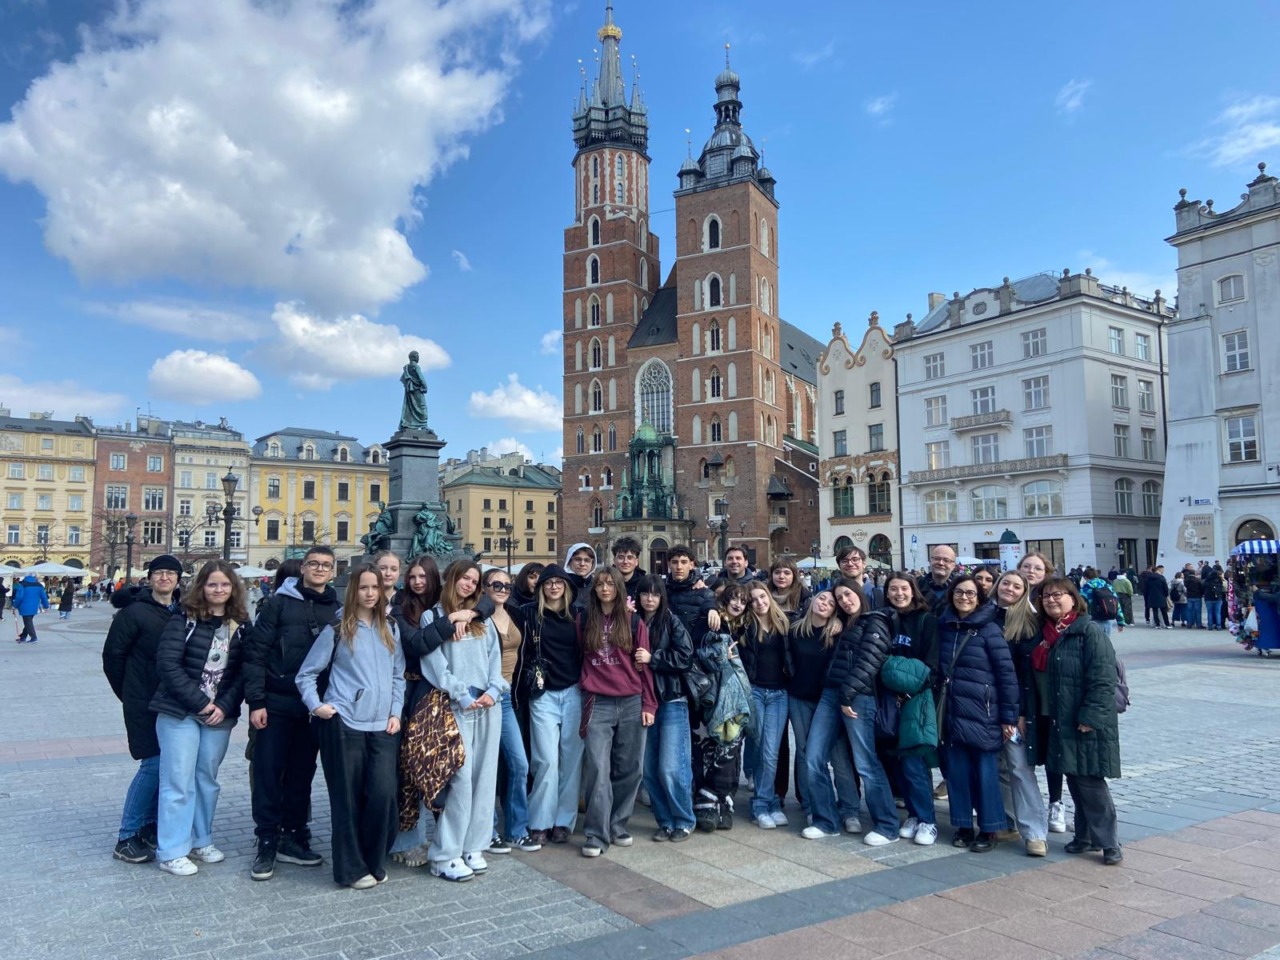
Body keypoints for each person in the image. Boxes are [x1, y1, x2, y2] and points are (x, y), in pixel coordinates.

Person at [296, 563, 405, 889]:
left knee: (384, 795)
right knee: (347, 799)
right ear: (353, 590)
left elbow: (398, 675)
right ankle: (351, 870)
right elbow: (306, 674)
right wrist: (317, 706)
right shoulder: (338, 628)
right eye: (364, 588)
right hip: (345, 724)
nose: (371, 594)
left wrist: (396, 711)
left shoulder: (391, 628)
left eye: (376, 588)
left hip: (382, 725)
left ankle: (374, 859)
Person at [242, 545, 341, 881]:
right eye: (314, 563)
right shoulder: (277, 604)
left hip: (314, 707)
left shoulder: (338, 610)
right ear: (303, 568)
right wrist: (256, 701)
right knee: (269, 772)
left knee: (301, 773)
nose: (319, 569)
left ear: (334, 571)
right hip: (277, 702)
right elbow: (255, 654)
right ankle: (267, 839)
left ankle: (294, 835)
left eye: (326, 565)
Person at [149, 560, 248, 876]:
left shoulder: (241, 625)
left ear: (233, 589)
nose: (219, 590)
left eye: (225, 585)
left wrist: (224, 705)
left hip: (220, 715)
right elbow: (167, 665)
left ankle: (200, 839)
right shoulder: (184, 619)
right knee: (178, 781)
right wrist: (201, 702)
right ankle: (172, 850)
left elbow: (245, 672)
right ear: (201, 588)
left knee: (206, 779)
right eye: (212, 584)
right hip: (180, 712)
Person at [419, 560, 506, 882]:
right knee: (461, 778)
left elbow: (495, 659)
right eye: (464, 578)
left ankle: (474, 844)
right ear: (451, 579)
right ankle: (445, 853)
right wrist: (460, 693)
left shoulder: (481, 619)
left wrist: (496, 690)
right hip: (457, 706)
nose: (469, 584)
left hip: (487, 704)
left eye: (474, 580)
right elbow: (434, 663)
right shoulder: (434, 616)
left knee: (485, 779)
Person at [801, 581, 899, 844]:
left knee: (866, 762)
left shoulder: (874, 621)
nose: (844, 600)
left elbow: (870, 662)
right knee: (813, 758)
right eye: (839, 598)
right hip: (830, 694)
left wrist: (847, 695)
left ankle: (888, 826)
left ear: (859, 594)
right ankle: (826, 821)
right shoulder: (845, 624)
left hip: (857, 697)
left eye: (847, 594)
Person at [102, 554, 183, 863]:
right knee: (151, 764)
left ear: (178, 579)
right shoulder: (133, 613)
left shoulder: (180, 611)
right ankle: (126, 836)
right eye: (158, 573)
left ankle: (149, 826)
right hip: (142, 700)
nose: (164, 578)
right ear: (150, 578)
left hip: (171, 701)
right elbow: (113, 657)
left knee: (165, 764)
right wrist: (128, 693)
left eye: (170, 573)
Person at [1038, 577, 1123, 865]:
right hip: (1062, 719)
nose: (1051, 600)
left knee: (1090, 782)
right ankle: (1085, 837)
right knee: (1075, 777)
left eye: (1058, 595)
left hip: (1084, 720)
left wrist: (1090, 717)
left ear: (1073, 599)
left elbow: (1103, 678)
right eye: (1046, 596)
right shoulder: (1051, 633)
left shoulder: (1087, 631)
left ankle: (1110, 843)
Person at [578, 566, 656, 857]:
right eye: (600, 584)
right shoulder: (584, 619)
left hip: (631, 700)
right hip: (597, 700)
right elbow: (577, 656)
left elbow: (644, 668)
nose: (605, 588)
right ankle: (596, 834)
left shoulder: (635, 622)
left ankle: (618, 823)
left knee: (630, 767)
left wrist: (649, 703)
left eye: (610, 583)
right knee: (598, 767)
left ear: (619, 588)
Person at [936, 574, 1018, 852]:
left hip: (983, 712)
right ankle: (962, 825)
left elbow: (1007, 676)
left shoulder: (990, 630)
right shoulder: (944, 626)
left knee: (985, 773)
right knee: (957, 772)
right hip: (951, 710)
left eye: (971, 593)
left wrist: (1008, 716)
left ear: (980, 598)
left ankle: (989, 828)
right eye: (959, 592)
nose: (964, 597)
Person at [512, 565, 582, 845]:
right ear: (540, 587)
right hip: (542, 694)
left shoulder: (578, 615)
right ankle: (540, 820)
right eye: (548, 583)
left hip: (575, 690)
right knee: (546, 760)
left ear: (566, 587)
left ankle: (563, 821)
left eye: (559, 582)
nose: (554, 587)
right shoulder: (528, 614)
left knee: (571, 760)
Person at [387, 555, 448, 867]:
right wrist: (451, 622)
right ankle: (408, 839)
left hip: (438, 692)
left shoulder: (444, 603)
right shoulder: (400, 606)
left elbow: (486, 604)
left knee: (436, 765)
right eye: (412, 577)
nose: (417, 582)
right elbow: (415, 645)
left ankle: (443, 836)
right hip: (410, 691)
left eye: (423, 576)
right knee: (407, 766)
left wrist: (475, 610)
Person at [785, 591, 861, 834]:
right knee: (806, 753)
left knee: (838, 755)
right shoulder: (795, 630)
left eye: (830, 603)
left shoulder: (837, 632)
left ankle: (849, 809)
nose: (824, 604)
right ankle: (812, 805)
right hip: (800, 697)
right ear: (812, 601)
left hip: (828, 699)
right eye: (821, 599)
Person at [481, 568, 540, 853]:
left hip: (506, 698)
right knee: (487, 768)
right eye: (496, 584)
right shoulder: (477, 617)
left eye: (506, 584)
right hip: (481, 700)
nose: (502, 588)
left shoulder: (517, 615)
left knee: (519, 764)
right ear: (484, 587)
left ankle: (517, 829)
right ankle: (488, 830)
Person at [634, 575, 696, 842]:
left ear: (662, 598)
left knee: (671, 766)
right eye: (645, 594)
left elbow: (685, 657)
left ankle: (684, 819)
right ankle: (665, 821)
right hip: (642, 702)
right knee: (648, 769)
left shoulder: (670, 621)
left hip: (671, 699)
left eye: (655, 595)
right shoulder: (632, 621)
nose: (650, 599)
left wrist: (653, 658)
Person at [881, 572, 940, 846]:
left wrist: (906, 688)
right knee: (895, 760)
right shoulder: (885, 620)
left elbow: (930, 664)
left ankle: (928, 820)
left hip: (915, 698)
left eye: (903, 588)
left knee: (914, 761)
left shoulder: (926, 621)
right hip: (888, 699)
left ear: (913, 591)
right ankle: (914, 814)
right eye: (893, 589)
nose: (898, 593)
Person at [992, 571, 1048, 857]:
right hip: (985, 705)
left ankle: (1035, 832)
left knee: (1019, 768)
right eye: (1006, 583)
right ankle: (1008, 820)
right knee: (1000, 767)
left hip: (1013, 708)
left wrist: (1021, 712)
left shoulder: (1027, 623)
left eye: (1017, 586)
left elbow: (1025, 675)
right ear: (997, 585)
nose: (1010, 589)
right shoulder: (984, 614)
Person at [694, 584, 751, 832]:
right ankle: (708, 800)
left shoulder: (745, 626)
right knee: (715, 746)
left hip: (735, 697)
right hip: (713, 696)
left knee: (731, 747)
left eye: (743, 601)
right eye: (734, 599)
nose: (738, 604)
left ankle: (722, 801)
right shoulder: (713, 622)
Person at [741, 584, 791, 829]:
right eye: (754, 600)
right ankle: (761, 804)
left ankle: (769, 801)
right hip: (756, 692)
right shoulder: (746, 627)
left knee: (772, 752)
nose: (759, 602)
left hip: (780, 693)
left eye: (762, 597)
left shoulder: (785, 624)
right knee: (761, 749)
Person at [1080, 567, 1125, 638]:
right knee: (1105, 644)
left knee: (1094, 644)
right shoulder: (1108, 586)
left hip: (1093, 620)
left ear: (1085, 577)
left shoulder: (1086, 588)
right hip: (1108, 618)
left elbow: (1080, 605)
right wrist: (1120, 622)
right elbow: (1117, 604)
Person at [917, 546, 958, 614]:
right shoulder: (916, 585)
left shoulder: (961, 587)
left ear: (953, 565)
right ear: (930, 561)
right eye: (937, 558)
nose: (941, 563)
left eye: (946, 560)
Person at [13, 573, 49, 643]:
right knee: (28, 621)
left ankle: (34, 637)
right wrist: (46, 606)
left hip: (24, 606)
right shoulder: (39, 585)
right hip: (34, 607)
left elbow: (19, 597)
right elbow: (44, 596)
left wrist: (15, 605)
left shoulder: (22, 584)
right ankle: (23, 636)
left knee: (28, 622)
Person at [399, 349, 429, 430]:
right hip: (417, 390)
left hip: (410, 391)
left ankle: (408, 424)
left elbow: (403, 379)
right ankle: (424, 426)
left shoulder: (406, 367)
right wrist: (425, 387)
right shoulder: (416, 366)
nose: (418, 357)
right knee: (422, 407)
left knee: (410, 408)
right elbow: (421, 378)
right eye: (417, 356)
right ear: (414, 357)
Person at [611, 536, 647, 602]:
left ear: (636, 562)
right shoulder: (607, 583)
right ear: (614, 561)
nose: (625, 561)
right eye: (621, 557)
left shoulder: (644, 584)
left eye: (630, 558)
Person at [563, 543, 597, 610]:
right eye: (578, 559)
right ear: (569, 561)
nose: (582, 564)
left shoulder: (596, 585)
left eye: (587, 560)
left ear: (592, 564)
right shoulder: (561, 584)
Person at [1142, 565, 1172, 629]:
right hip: (1161, 596)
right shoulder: (1162, 578)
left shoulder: (1148, 578)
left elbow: (1146, 589)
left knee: (1154, 611)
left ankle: (1157, 624)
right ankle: (1167, 624)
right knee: (1164, 611)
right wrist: (1166, 595)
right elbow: (1165, 588)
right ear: (1157, 570)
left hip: (1151, 596)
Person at [1183, 563, 1204, 629]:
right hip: (1197, 596)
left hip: (1189, 596)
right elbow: (1201, 588)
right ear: (1194, 573)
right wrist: (1202, 594)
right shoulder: (1198, 580)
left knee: (1189, 611)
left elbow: (1185, 587)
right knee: (1198, 611)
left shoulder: (1186, 580)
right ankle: (1198, 624)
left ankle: (1189, 624)